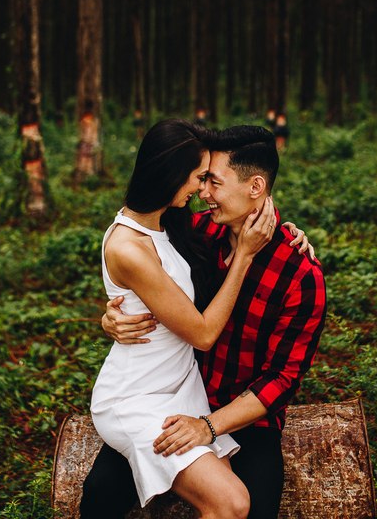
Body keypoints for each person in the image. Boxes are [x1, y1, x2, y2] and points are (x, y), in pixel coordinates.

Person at [82, 125, 327, 519]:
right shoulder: (197, 231)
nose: (203, 193)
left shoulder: (300, 275)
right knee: (99, 494)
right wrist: (113, 316)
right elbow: (140, 272)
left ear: (255, 187)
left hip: (244, 418)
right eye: (202, 179)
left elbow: (282, 381)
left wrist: (208, 427)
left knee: (253, 509)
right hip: (170, 395)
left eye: (213, 181)